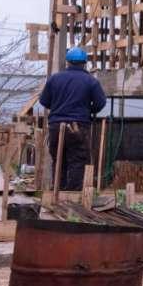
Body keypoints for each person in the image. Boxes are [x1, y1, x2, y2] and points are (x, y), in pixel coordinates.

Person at [39, 47, 107, 191]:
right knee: (77, 160)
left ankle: (57, 191)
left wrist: (57, 107)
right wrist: (88, 111)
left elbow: (44, 101)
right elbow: (100, 103)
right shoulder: (91, 81)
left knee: (58, 159)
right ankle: (73, 195)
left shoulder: (54, 79)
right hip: (78, 126)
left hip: (56, 126)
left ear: (68, 62)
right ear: (84, 63)